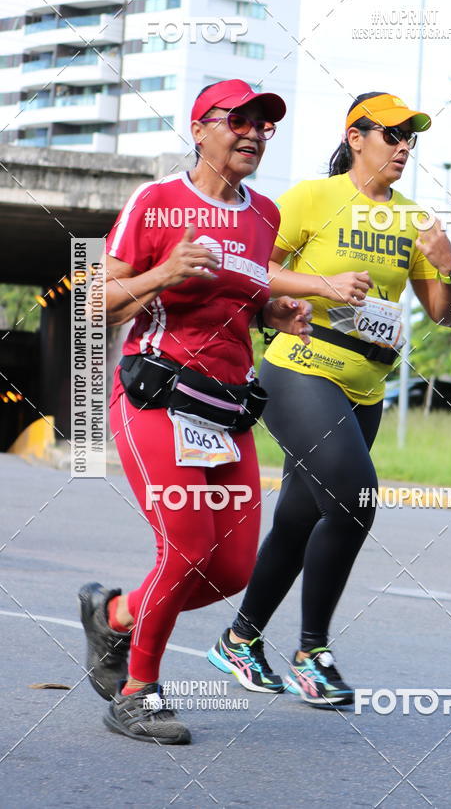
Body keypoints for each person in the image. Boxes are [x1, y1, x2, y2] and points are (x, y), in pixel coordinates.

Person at [208, 91, 451, 706]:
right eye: (391, 134)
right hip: (300, 366)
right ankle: (313, 652)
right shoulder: (311, 198)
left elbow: (447, 314)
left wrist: (449, 263)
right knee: (357, 498)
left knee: (302, 518)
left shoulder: (413, 220)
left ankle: (239, 640)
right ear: (356, 137)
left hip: (366, 386)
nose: (404, 147)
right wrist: (322, 284)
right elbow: (251, 270)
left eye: (411, 138)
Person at [78, 79, 312, 744]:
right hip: (155, 394)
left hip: (227, 408)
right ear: (201, 128)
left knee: (232, 568)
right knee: (184, 550)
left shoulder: (262, 215)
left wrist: (278, 312)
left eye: (265, 125)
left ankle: (114, 615)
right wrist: (161, 274)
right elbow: (96, 302)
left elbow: (245, 299)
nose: (255, 133)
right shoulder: (157, 202)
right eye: (240, 120)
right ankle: (137, 692)